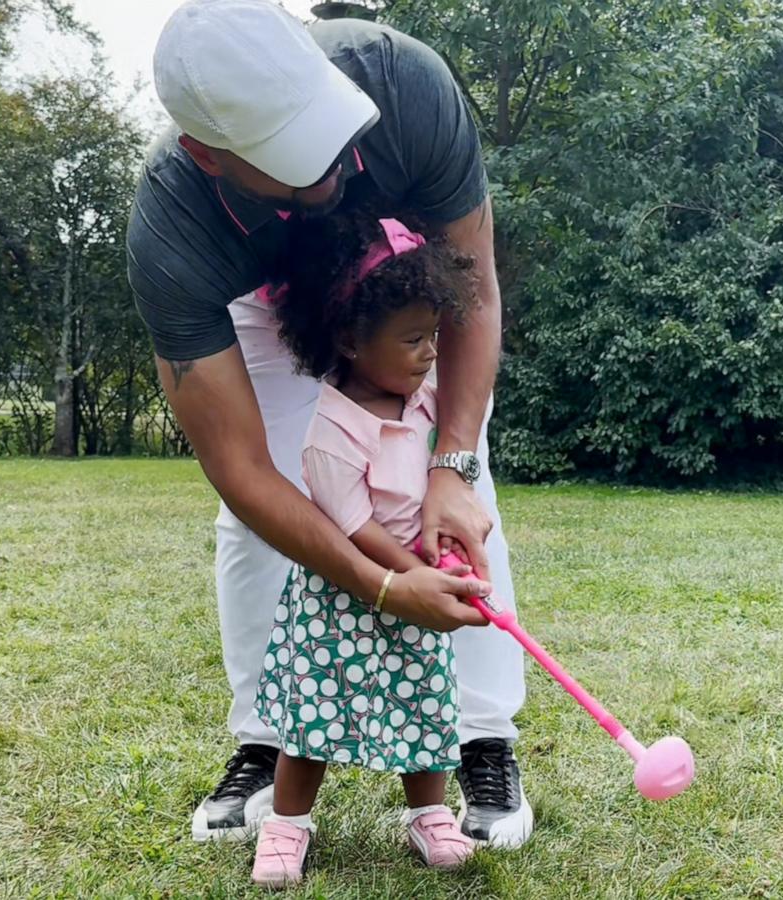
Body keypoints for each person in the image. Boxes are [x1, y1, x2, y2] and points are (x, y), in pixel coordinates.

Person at [129, 0, 533, 849]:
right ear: (209, 156)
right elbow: (242, 468)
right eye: (296, 161)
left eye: (333, 131)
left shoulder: (403, 82)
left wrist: (450, 464)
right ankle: (263, 737)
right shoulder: (173, 230)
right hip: (262, 304)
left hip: (402, 286)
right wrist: (385, 588)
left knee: (461, 483)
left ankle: (481, 737)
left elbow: (477, 289)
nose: (339, 168)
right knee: (255, 521)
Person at [249, 212, 479, 886]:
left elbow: (446, 470)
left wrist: (449, 549)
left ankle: (429, 814)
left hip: (421, 579)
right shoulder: (331, 431)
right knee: (314, 716)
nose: (429, 353)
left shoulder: (424, 402)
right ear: (350, 339)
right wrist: (418, 573)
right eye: (412, 339)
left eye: (433, 335)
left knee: (426, 702)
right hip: (342, 593)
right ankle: (287, 824)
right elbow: (354, 529)